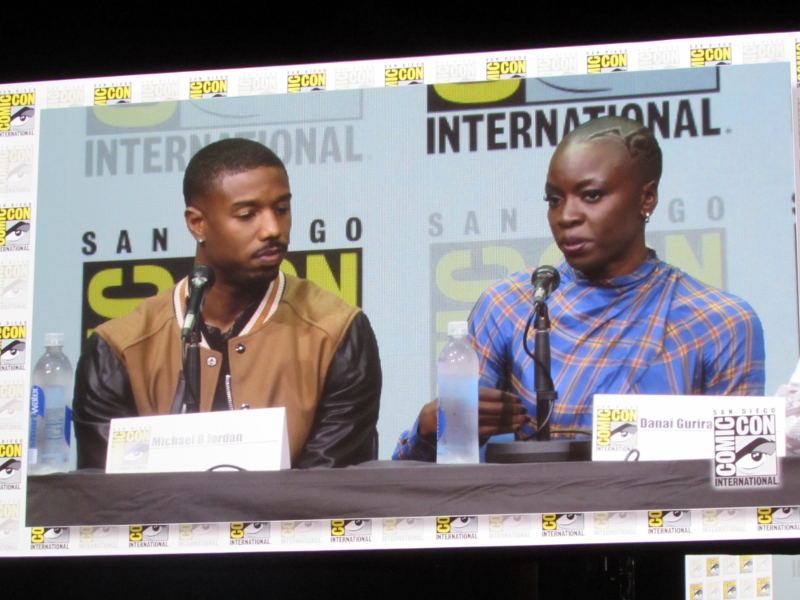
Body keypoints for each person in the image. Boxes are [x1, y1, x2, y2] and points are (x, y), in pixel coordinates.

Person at [394, 116, 765, 461]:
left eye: (591, 195)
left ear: (646, 197)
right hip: (531, 508)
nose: (566, 216)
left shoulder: (720, 323)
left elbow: (742, 473)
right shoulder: (510, 305)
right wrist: (431, 429)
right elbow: (434, 474)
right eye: (554, 200)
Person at [74, 138, 381, 469]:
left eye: (281, 209)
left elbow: (329, 487)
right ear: (197, 223)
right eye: (247, 215)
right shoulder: (118, 348)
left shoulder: (337, 331)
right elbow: (109, 491)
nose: (273, 229)